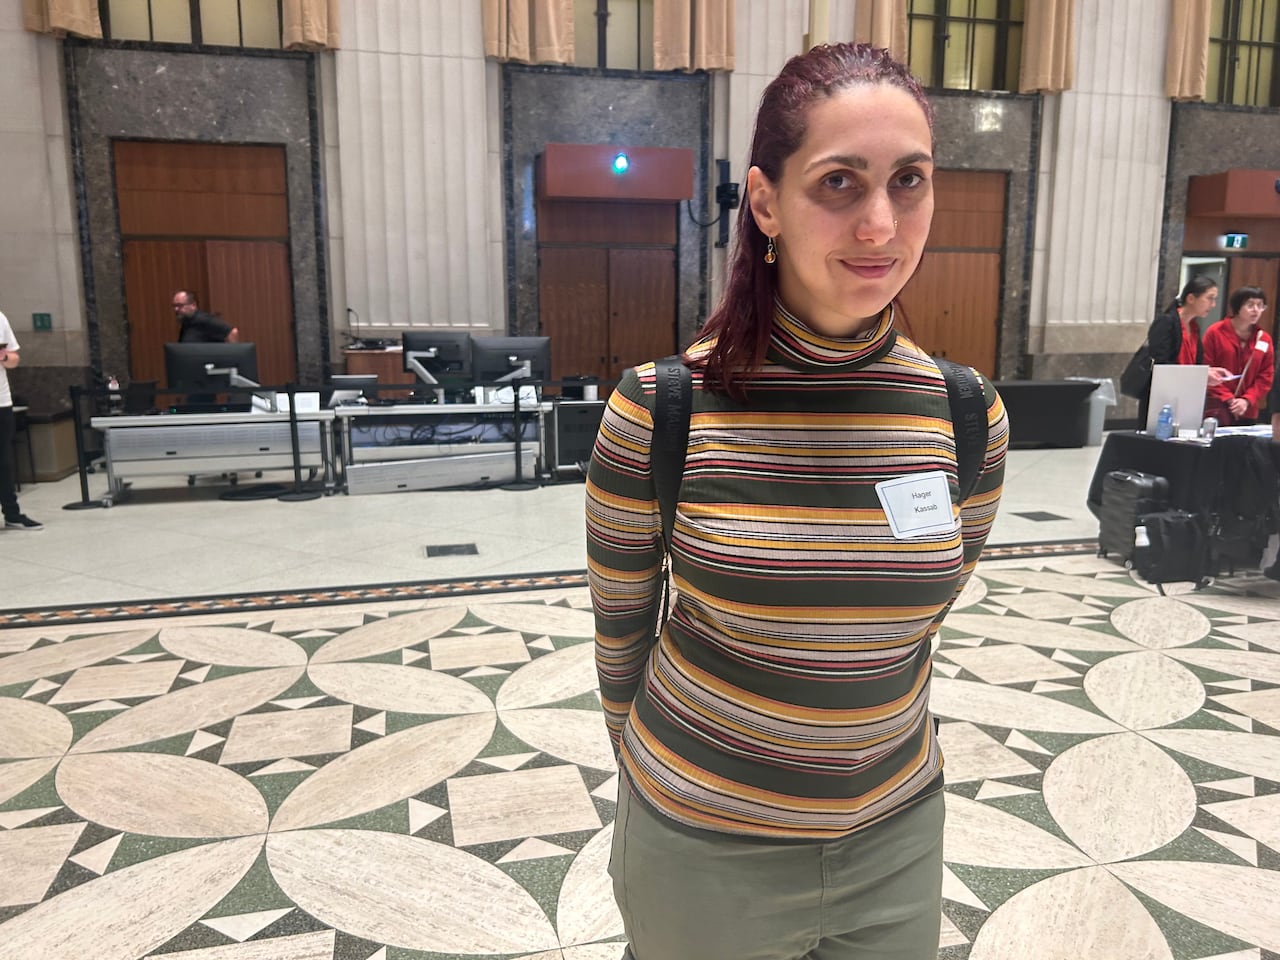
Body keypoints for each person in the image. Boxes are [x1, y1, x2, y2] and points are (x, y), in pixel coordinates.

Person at [586, 43, 1007, 960]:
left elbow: (914, 624)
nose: (880, 223)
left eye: (909, 181)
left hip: (896, 833)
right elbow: (622, 640)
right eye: (840, 183)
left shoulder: (965, 412)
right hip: (703, 846)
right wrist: (678, 789)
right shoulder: (663, 407)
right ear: (766, 201)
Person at [1138, 276, 1230, 429]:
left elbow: (1191, 362)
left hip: (1186, 396)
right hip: (1162, 397)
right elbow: (1162, 364)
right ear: (1191, 298)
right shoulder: (1167, 322)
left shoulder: (1194, 327)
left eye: (1215, 300)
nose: (1213, 305)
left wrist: (1209, 371)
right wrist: (1201, 375)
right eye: (1209, 298)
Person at [1202, 286, 1273, 426]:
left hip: (1248, 409)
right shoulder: (1215, 332)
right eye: (1250, 305)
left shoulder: (1264, 339)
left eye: (1260, 306)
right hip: (1217, 407)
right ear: (1237, 307)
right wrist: (1229, 399)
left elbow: (1266, 376)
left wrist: (1247, 400)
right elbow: (1205, 368)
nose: (1256, 310)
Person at [0, 308, 42, 530]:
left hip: (1, 401)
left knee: (4, 462)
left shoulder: (0, 318)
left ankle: (12, 514)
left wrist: (4, 356)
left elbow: (14, 358)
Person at [172, 290, 238, 343]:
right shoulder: (186, 321)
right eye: (174, 306)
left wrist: (232, 357)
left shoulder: (203, 319)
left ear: (193, 305)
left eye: (180, 305)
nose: (176, 309)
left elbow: (232, 332)